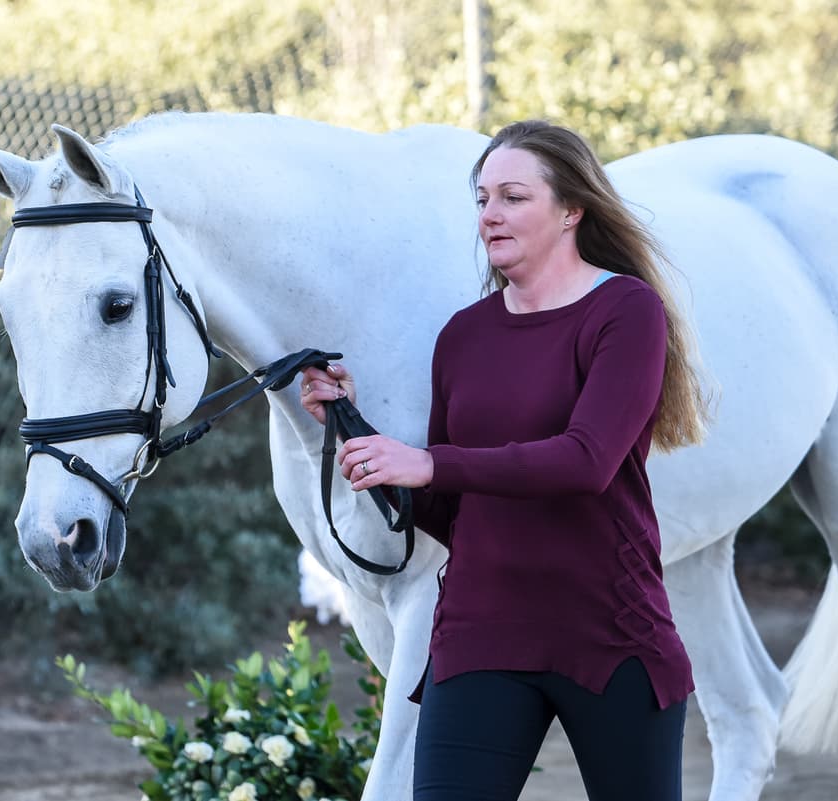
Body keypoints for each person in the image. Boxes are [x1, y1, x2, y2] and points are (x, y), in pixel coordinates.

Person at [299, 120, 709, 801]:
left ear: (571, 209)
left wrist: (429, 463)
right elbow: (450, 512)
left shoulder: (625, 311)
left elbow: (586, 463)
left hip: (608, 631)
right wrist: (356, 431)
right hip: (480, 634)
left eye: (513, 197)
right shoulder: (464, 335)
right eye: (483, 198)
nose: (490, 214)